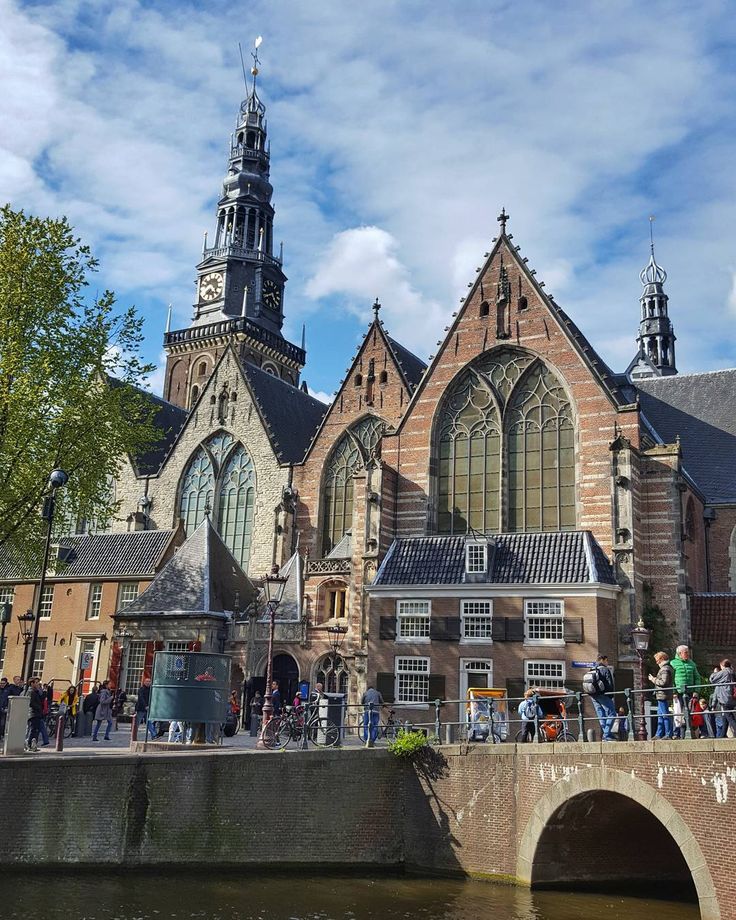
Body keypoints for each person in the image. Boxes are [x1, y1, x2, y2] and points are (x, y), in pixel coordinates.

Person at [670, 646, 703, 739]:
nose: (688, 654)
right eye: (686, 652)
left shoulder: (692, 663)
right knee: (678, 712)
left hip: (690, 692)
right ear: (680, 653)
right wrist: (674, 691)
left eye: (688, 652)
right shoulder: (673, 663)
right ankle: (676, 734)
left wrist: (696, 691)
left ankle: (687, 733)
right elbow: (671, 678)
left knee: (689, 712)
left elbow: (697, 677)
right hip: (679, 692)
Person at [584, 654, 616, 741]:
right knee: (612, 713)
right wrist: (611, 696)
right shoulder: (605, 669)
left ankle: (607, 734)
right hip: (603, 695)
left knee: (601, 715)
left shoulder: (592, 669)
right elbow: (610, 684)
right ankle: (606, 735)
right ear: (603, 660)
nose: (607, 662)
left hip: (593, 696)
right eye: (607, 660)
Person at [648, 651, 674, 739]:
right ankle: (659, 734)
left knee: (664, 714)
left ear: (662, 659)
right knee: (660, 715)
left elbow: (663, 682)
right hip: (662, 695)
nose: (656, 662)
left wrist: (653, 679)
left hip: (663, 695)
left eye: (657, 660)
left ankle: (668, 734)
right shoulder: (667, 668)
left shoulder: (665, 669)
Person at [709, 659, 736, 739]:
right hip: (732, 697)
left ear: (723, 665)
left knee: (729, 716)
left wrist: (715, 672)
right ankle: (722, 734)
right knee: (726, 716)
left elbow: (712, 679)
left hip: (725, 697)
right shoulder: (732, 671)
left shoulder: (724, 672)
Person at [24, 677, 45, 753]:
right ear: (32, 683)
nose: (38, 684)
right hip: (33, 713)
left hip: (36, 713)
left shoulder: (36, 691)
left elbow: (42, 699)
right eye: (36, 683)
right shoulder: (31, 692)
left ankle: (33, 745)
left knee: (35, 730)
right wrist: (39, 707)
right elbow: (31, 703)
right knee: (32, 729)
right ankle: (29, 745)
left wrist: (43, 691)